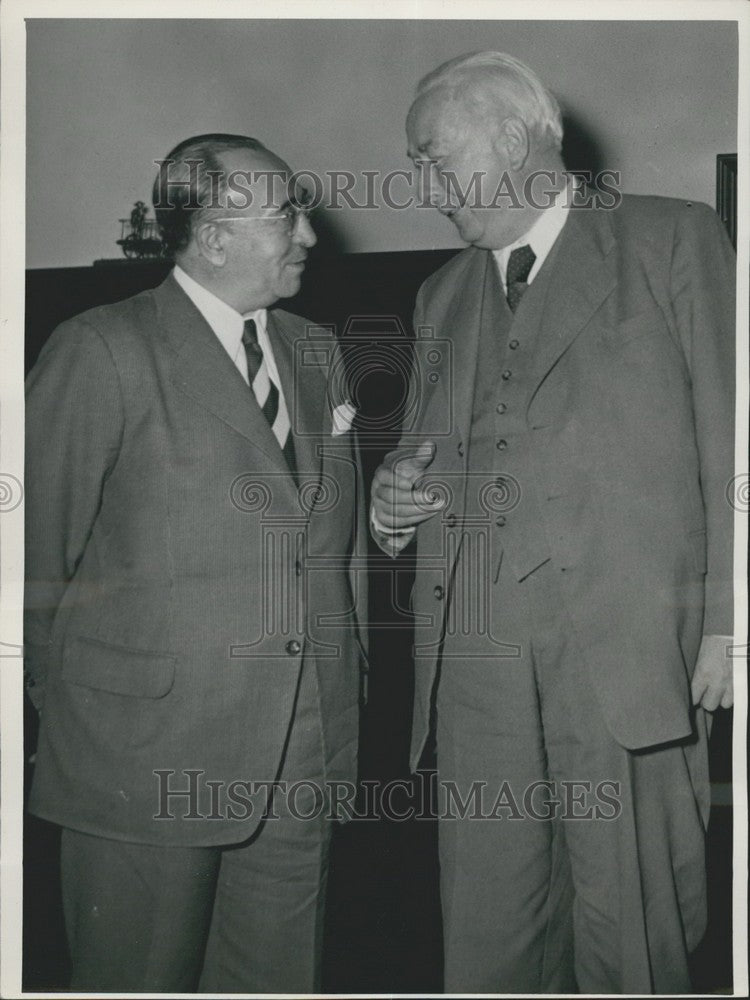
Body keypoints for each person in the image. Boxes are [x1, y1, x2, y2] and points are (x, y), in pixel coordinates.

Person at [371, 52, 735, 993]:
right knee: (490, 928)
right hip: (476, 658)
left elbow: (735, 443)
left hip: (622, 647)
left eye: (431, 157)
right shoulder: (440, 296)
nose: (421, 185)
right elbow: (418, 460)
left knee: (634, 925)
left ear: (509, 139)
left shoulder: (671, 240)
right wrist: (390, 506)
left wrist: (729, 622)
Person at [24, 133, 368, 993]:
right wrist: (67, 718)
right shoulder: (101, 349)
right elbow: (27, 560)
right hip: (143, 760)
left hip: (303, 747)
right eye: (287, 214)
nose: (310, 235)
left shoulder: (318, 352)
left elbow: (336, 546)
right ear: (213, 235)